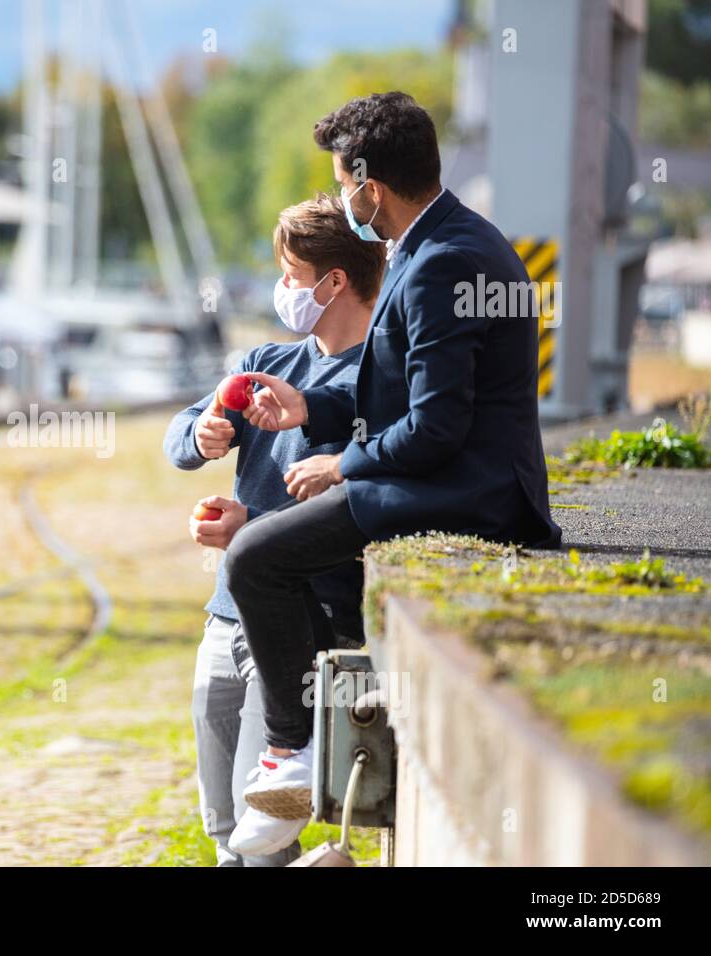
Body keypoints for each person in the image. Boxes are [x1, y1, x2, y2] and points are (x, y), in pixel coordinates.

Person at [218, 92, 561, 847]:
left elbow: (437, 428)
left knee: (256, 556)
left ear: (371, 185)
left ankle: (294, 750)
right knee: (296, 556)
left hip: (470, 491)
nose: (344, 200)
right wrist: (310, 410)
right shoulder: (442, 244)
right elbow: (407, 396)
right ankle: (323, 769)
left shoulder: (445, 263)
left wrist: (344, 465)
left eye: (345, 184)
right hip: (459, 475)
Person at [165, 194, 385, 864]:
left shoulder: (382, 384)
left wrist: (248, 526)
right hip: (224, 619)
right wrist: (201, 436)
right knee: (223, 827)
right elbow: (176, 439)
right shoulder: (268, 361)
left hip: (300, 633)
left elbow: (362, 513)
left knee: (256, 829)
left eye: (291, 275)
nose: (281, 289)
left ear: (334, 282)